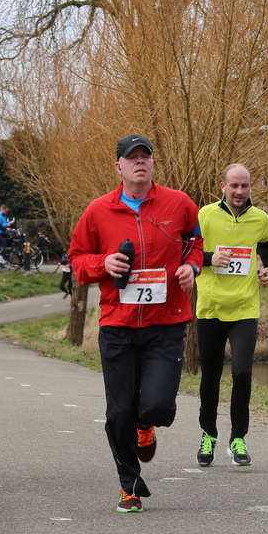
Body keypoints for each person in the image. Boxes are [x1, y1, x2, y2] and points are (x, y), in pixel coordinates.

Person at [68, 134, 202, 514]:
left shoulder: (179, 203)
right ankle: (128, 485)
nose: (140, 161)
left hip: (166, 323)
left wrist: (192, 267)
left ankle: (147, 426)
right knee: (118, 412)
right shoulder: (98, 211)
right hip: (118, 325)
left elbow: (195, 242)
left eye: (146, 156)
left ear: (153, 164)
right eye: (132, 157)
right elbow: (77, 259)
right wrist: (103, 264)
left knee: (157, 406)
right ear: (119, 167)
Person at [193, 163, 268, 469]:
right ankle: (208, 435)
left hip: (244, 308)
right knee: (211, 376)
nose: (239, 191)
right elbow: (186, 249)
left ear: (250, 187)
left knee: (242, 373)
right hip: (211, 308)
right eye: (234, 186)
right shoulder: (205, 215)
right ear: (223, 187)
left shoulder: (260, 218)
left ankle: (238, 438)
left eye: (244, 186)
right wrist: (209, 258)